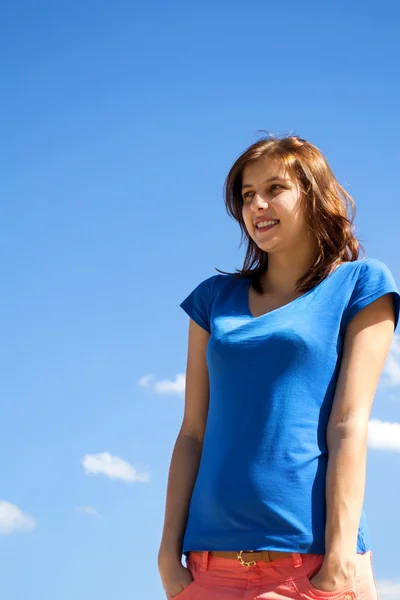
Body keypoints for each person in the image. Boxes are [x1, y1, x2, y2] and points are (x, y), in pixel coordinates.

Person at [158, 134, 399, 600]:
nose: (258, 204)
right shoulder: (213, 300)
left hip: (311, 565)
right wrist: (168, 556)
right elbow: (192, 432)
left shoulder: (361, 284)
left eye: (274, 188)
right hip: (209, 568)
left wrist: (339, 556)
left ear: (314, 194)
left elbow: (349, 424)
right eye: (247, 195)